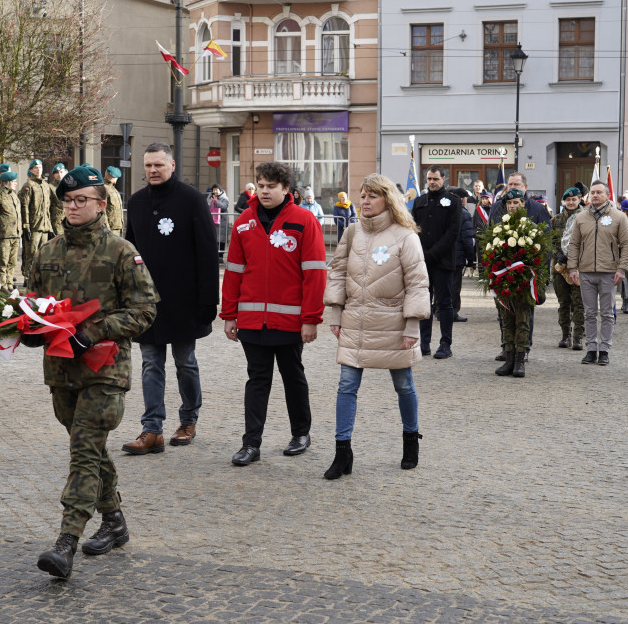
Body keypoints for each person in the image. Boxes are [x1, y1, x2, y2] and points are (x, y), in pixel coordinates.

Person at [25, 165, 158, 580]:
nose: (73, 206)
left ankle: (67, 541)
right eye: (67, 200)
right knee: (92, 449)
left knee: (83, 450)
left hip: (104, 369)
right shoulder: (47, 251)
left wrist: (95, 330)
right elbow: (33, 302)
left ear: (102, 204)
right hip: (61, 371)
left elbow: (145, 309)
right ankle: (115, 520)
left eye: (81, 199)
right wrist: (27, 327)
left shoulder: (121, 251)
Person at [321, 175, 430, 478]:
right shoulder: (353, 232)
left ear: (387, 199)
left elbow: (418, 283)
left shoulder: (405, 236)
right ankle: (342, 452)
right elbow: (339, 271)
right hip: (356, 320)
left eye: (372, 196)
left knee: (404, 384)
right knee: (346, 385)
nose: (365, 201)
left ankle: (411, 439)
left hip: (393, 322)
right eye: (362, 195)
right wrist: (336, 313)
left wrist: (411, 327)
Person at [221, 161, 327, 467]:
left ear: (285, 189)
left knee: (293, 377)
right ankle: (251, 444)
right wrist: (229, 315)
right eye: (261, 185)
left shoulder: (304, 220)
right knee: (257, 379)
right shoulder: (243, 222)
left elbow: (315, 274)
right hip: (252, 320)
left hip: (290, 321)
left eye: (271, 186)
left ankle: (301, 434)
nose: (265, 191)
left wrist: (311, 319)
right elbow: (233, 273)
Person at [121, 142, 219, 454]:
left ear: (172, 166)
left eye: (158, 165)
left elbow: (207, 252)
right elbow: (129, 253)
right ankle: (152, 429)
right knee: (151, 363)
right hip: (147, 302)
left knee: (185, 362)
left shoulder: (191, 200)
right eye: (148, 166)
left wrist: (208, 300)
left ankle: (188, 420)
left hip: (184, 301)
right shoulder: (136, 203)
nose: (152, 170)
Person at [567, 180, 628, 366]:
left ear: (607, 195)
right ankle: (590, 349)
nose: (595, 195)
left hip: (609, 272)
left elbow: (627, 245)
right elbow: (574, 244)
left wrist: (622, 269)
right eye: (593, 192)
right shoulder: (581, 218)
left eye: (599, 192)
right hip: (586, 271)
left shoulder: (619, 217)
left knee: (606, 313)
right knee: (589, 313)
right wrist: (573, 267)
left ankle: (604, 349)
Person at [411, 169, 461, 359]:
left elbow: (453, 232)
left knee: (444, 302)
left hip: (443, 261)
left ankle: (445, 343)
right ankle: (424, 343)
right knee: (424, 302)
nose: (432, 182)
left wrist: (432, 254)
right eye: (429, 179)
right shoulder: (419, 201)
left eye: (435, 179)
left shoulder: (453, 201)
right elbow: (412, 229)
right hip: (422, 261)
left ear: (443, 179)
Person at [491, 190, 541, 378]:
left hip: (523, 283)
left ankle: (520, 359)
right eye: (509, 203)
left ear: (523, 204)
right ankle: (509, 358)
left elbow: (538, 256)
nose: (512, 206)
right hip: (504, 282)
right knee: (506, 321)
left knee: (522, 321)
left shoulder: (531, 227)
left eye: (516, 203)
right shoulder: (499, 228)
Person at [551, 187, 585, 350]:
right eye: (568, 200)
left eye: (574, 199)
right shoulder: (556, 219)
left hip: (580, 267)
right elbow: (550, 241)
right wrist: (558, 255)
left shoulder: (586, 218)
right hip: (560, 267)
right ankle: (566, 335)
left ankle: (578, 337)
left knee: (579, 303)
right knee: (563, 303)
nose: (571, 202)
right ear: (564, 201)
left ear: (579, 200)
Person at [20, 159, 57, 287]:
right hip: (34, 226)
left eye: (40, 167)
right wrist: (26, 226)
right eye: (35, 167)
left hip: (45, 226)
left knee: (43, 254)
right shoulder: (28, 185)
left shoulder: (46, 186)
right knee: (31, 253)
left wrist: (50, 227)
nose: (38, 169)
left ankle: (39, 277)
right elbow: (24, 207)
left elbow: (48, 208)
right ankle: (28, 277)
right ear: (31, 170)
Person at [0, 169, 22, 290]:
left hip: (14, 234)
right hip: (2, 235)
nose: (15, 183)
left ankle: (9, 284)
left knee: (12, 263)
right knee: (2, 263)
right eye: (13, 181)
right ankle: (1, 286)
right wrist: (2, 190)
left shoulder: (13, 194)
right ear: (5, 183)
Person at [450, 188, 475, 323]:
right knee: (454, 286)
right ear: (462, 199)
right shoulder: (463, 214)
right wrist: (471, 258)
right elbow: (467, 238)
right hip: (456, 257)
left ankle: (438, 309)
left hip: (441, 256)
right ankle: (453, 312)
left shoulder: (443, 211)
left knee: (441, 285)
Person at [207, 183, 230, 263]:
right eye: (214, 190)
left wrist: (216, 202)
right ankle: (214, 256)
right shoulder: (210, 197)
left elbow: (224, 207)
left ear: (220, 190)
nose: (215, 191)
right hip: (213, 221)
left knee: (221, 240)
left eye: (217, 189)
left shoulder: (224, 198)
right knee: (214, 239)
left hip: (222, 223)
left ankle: (220, 256)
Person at [101, 166, 124, 235]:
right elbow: (102, 210)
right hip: (110, 229)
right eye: (116, 178)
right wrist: (107, 229)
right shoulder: (104, 189)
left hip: (117, 228)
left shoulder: (113, 189)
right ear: (112, 177)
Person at [49, 163, 67, 237]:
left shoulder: (69, 187)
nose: (59, 174)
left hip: (69, 220)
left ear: (65, 172)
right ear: (53, 175)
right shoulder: (50, 187)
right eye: (56, 173)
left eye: (61, 172)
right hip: (56, 221)